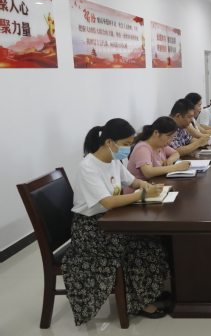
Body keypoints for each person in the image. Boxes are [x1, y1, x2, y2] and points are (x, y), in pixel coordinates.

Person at [61, 118, 170, 325]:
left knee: (153, 238)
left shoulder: (113, 161)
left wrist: (146, 186)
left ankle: (150, 290)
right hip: (91, 229)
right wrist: (142, 196)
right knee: (140, 245)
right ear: (109, 142)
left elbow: (132, 181)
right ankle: (140, 302)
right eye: (126, 144)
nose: (128, 149)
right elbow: (108, 202)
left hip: (110, 220)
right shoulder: (88, 167)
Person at [125, 116, 192, 192]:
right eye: (168, 137)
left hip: (153, 186)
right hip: (137, 192)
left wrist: (170, 160)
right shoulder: (143, 148)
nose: (170, 142)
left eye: (172, 138)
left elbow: (175, 153)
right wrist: (176, 167)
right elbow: (148, 172)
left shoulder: (160, 145)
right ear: (156, 133)